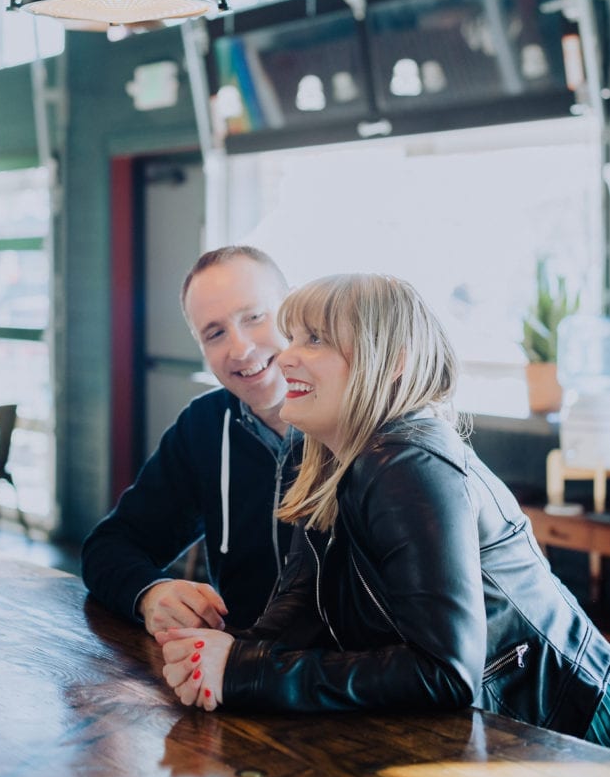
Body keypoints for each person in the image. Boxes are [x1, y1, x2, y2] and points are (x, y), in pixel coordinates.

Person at [158, 273, 610, 745]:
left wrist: (244, 671)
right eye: (293, 337)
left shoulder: (410, 461)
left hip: (571, 729)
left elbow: (445, 674)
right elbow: (301, 605)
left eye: (315, 340)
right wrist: (219, 651)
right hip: (490, 733)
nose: (286, 356)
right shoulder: (329, 453)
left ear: (391, 363)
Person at [81, 245, 303, 636]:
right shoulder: (204, 425)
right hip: (228, 675)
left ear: (294, 311)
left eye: (254, 317)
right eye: (215, 333)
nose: (241, 348)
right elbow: (109, 546)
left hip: (349, 687)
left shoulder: (366, 425)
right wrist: (153, 593)